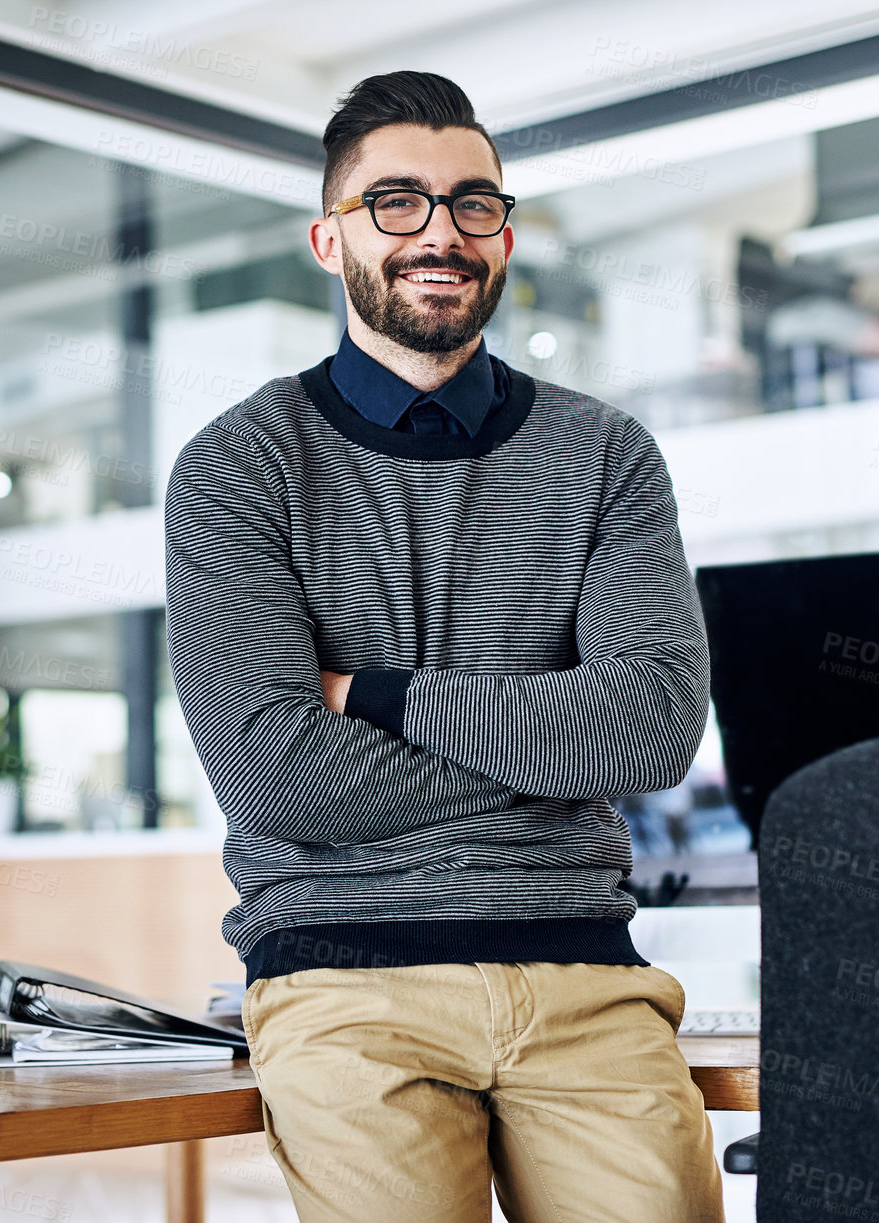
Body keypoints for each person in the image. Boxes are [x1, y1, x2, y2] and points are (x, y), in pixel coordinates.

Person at [163, 70, 724, 1223]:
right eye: (398, 202)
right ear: (331, 238)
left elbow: (652, 725)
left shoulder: (607, 455)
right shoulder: (237, 466)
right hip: (344, 979)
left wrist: (368, 691)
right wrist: (549, 748)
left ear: (504, 234)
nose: (441, 233)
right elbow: (275, 771)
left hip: (584, 973)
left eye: (474, 204)